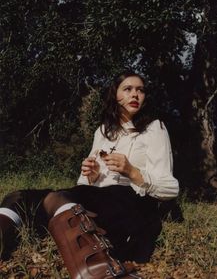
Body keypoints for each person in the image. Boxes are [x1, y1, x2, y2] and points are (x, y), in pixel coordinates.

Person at [0, 71, 179, 279]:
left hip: (130, 202)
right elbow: (85, 185)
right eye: (128, 89)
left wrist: (131, 171)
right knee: (20, 197)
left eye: (140, 90)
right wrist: (90, 175)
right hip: (98, 199)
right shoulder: (103, 132)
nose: (135, 95)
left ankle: (99, 269)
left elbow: (170, 188)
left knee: (55, 199)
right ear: (115, 95)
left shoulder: (154, 128)